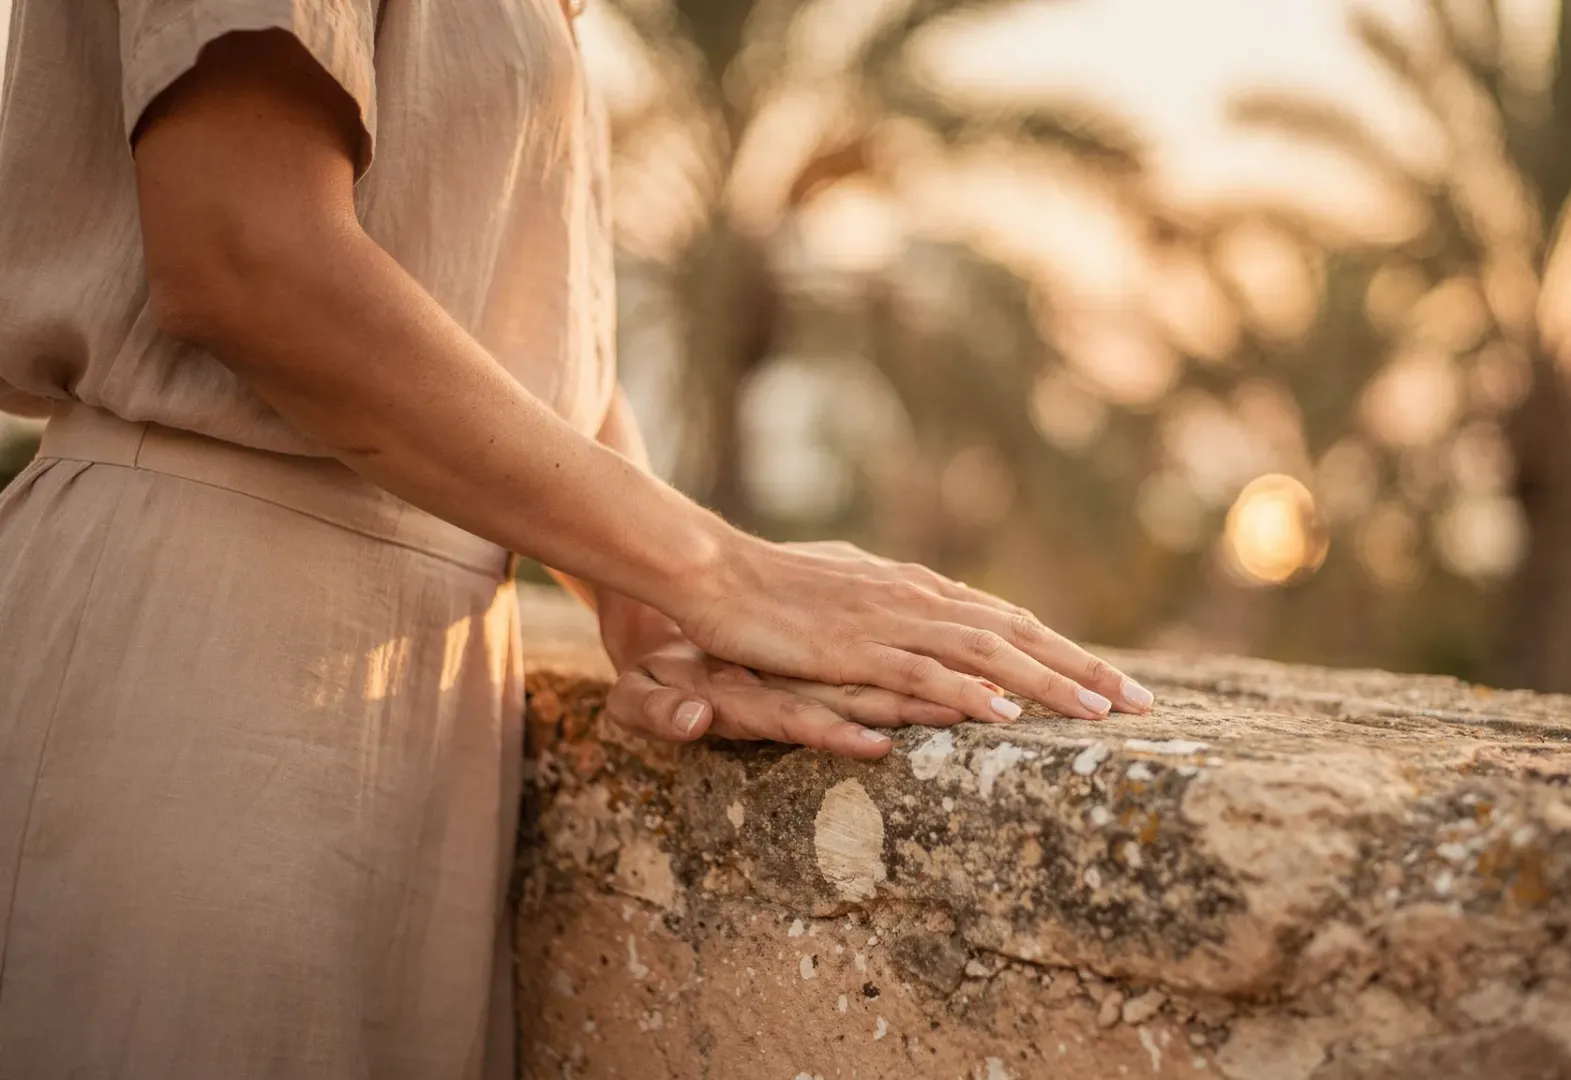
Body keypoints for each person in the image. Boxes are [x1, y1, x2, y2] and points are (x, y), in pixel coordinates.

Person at [0, 1, 1154, 1076]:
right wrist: (715, 566)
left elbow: (514, 311)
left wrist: (649, 616)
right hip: (208, 656)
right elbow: (243, 244)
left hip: (436, 696)